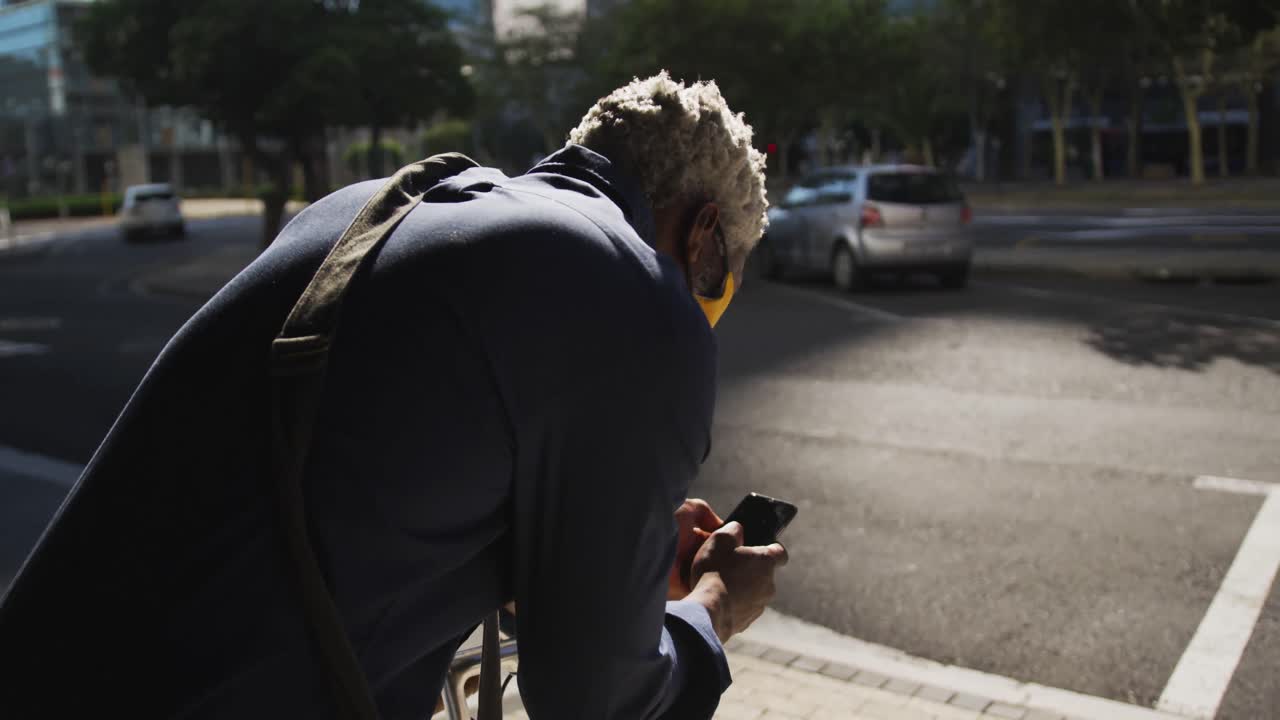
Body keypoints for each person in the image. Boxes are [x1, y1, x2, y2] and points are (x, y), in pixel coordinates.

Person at [0, 73, 785, 719]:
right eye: (713, 297)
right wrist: (714, 604)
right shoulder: (638, 296)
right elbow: (599, 701)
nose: (702, 319)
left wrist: (615, 550)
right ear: (704, 236)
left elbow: (371, 506)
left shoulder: (372, 208)